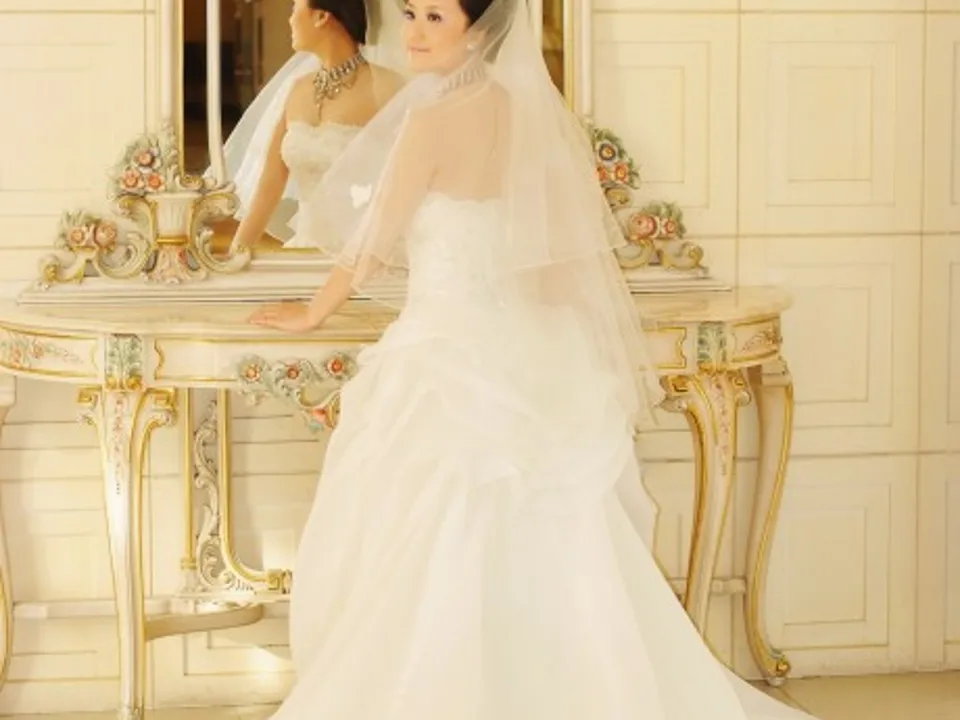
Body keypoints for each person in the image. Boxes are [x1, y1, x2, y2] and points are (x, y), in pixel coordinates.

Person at [249, 0, 820, 717]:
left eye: (436, 18)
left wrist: (313, 312)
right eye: (412, 13)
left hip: (443, 347)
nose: (415, 32)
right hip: (523, 342)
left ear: (478, 28)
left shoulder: (427, 117)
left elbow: (371, 244)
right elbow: (550, 260)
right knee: (547, 534)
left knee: (435, 527)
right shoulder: (525, 113)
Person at [224, 0, 405, 250]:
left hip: (366, 250)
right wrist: (236, 253)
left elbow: (407, 180)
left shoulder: (384, 86)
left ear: (321, 16)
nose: (290, 19)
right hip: (306, 248)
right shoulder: (298, 89)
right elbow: (270, 185)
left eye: (294, 8)